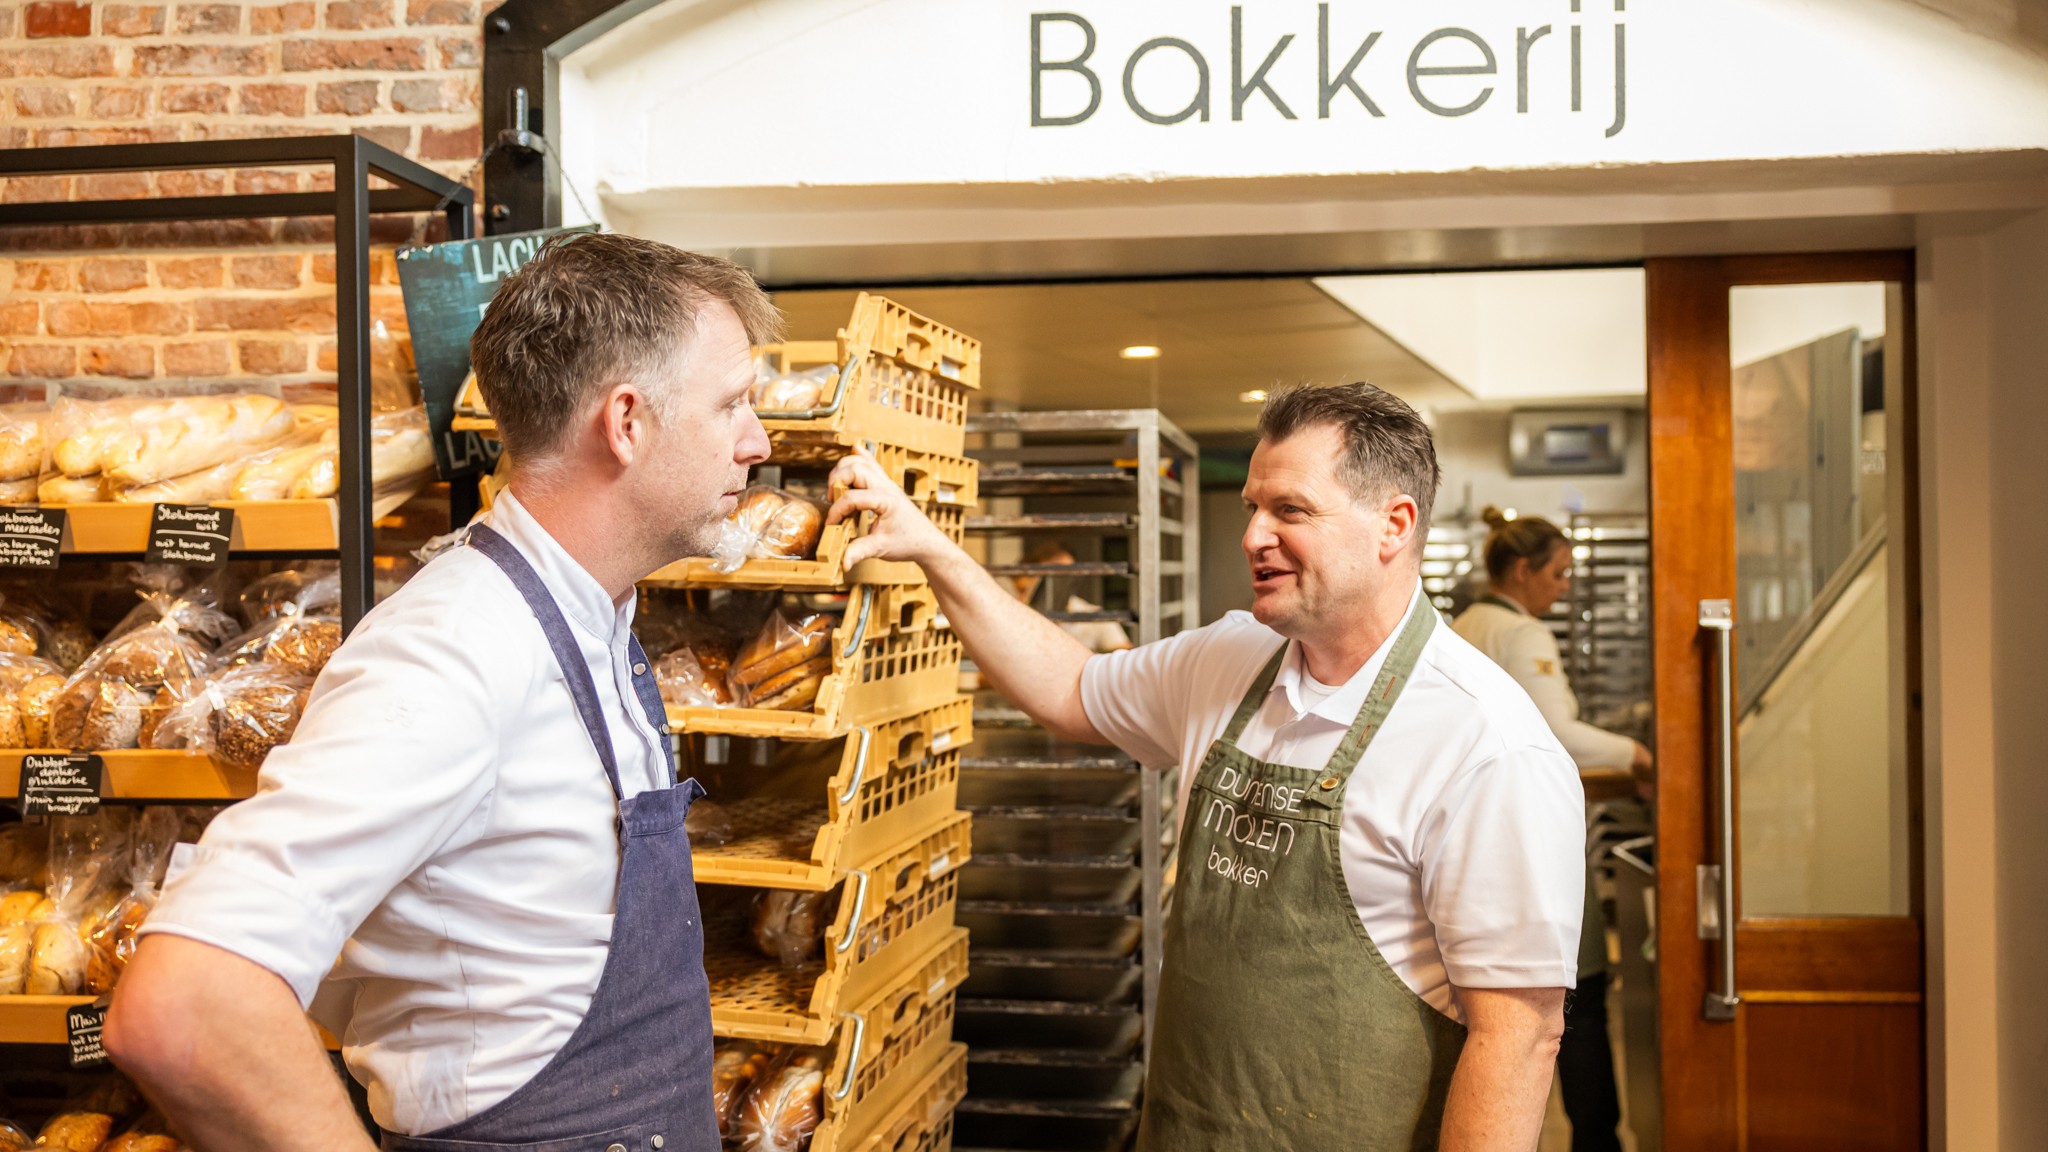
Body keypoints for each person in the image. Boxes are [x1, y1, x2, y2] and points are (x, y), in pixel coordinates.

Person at [104, 232, 780, 1152]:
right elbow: (186, 1006)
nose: (760, 440)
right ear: (627, 422)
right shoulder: (455, 651)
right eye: (734, 403)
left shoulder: (592, 620)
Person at [827, 382, 1585, 1151]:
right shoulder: (1227, 658)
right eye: (1254, 507)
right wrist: (930, 547)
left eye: (1290, 510)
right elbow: (1070, 687)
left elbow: (1518, 1038)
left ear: (1394, 525)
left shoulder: (1487, 747)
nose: (1254, 534)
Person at [1452, 507, 1653, 1152]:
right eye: (1559, 574)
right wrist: (1638, 756)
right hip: (1536, 845)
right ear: (1522, 571)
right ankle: (1599, 1141)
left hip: (1471, 846)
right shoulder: (1524, 634)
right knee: (1581, 1000)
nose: (1564, 588)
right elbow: (1560, 730)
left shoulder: (1458, 627)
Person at [1008, 540, 1133, 653]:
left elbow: (1124, 657)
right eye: (1051, 575)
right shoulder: (1016, 619)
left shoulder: (1096, 618)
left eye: (1066, 574)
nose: (1061, 581)